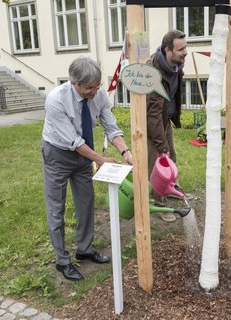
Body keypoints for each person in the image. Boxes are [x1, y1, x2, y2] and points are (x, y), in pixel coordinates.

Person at [41, 56, 133, 281]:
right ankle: (62, 261)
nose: (94, 92)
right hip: (57, 154)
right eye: (89, 88)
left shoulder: (99, 94)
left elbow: (111, 126)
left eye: (97, 86)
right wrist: (101, 160)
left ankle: (84, 249)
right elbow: (73, 141)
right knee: (56, 208)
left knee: (86, 202)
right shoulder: (56, 100)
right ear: (75, 83)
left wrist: (125, 152)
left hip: (83, 155)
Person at [146, 29, 187, 222]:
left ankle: (170, 190)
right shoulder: (153, 72)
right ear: (167, 50)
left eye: (185, 47)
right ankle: (158, 205)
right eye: (180, 49)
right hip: (152, 124)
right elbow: (152, 114)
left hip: (165, 119)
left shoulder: (176, 67)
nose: (185, 52)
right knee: (158, 163)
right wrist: (160, 144)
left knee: (172, 155)